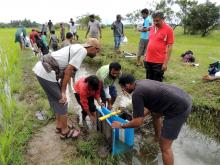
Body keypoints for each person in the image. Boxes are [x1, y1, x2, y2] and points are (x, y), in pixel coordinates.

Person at [112, 74, 192, 165]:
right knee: (155, 114)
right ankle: (157, 137)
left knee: (165, 147)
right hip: (182, 97)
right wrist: (137, 117)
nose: (123, 90)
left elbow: (138, 122)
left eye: (123, 88)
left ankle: (161, 141)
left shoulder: (137, 94)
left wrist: (122, 125)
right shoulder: (141, 83)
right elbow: (149, 109)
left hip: (179, 108)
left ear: (127, 85)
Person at [32, 38, 101, 139]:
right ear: (93, 48)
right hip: (46, 72)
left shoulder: (77, 47)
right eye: (97, 51)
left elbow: (64, 69)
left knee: (57, 100)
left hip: (43, 70)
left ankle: (59, 126)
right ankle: (65, 131)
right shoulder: (82, 51)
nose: (96, 54)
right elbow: (68, 71)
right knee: (63, 101)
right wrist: (63, 92)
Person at [144, 10, 174, 82]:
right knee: (148, 82)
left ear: (163, 19)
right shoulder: (152, 28)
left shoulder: (169, 29)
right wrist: (145, 55)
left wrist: (165, 63)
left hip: (159, 62)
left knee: (157, 84)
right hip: (148, 60)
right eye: (154, 21)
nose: (155, 23)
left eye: (157, 21)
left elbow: (170, 47)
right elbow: (150, 42)